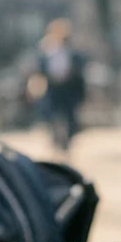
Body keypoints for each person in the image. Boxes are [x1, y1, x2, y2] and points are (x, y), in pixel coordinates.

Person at [39, 19, 86, 151]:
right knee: (53, 116)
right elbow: (41, 71)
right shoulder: (47, 53)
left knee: (70, 117)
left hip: (69, 89)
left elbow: (79, 72)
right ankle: (56, 140)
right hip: (53, 89)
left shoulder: (73, 54)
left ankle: (67, 142)